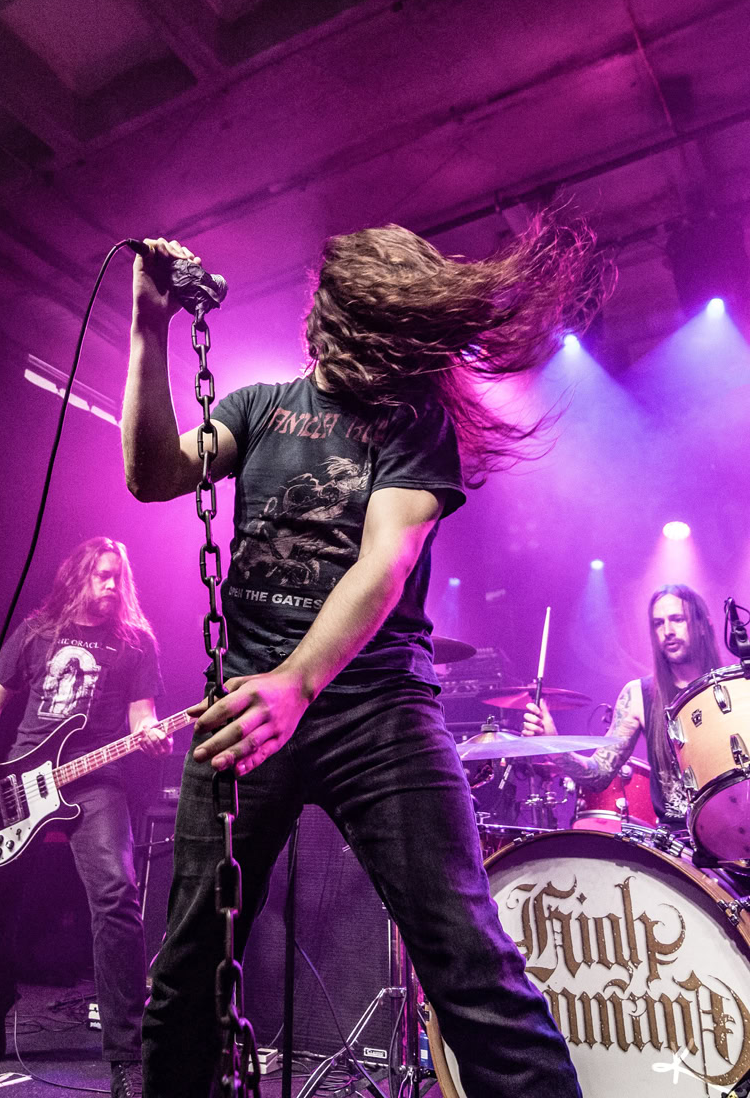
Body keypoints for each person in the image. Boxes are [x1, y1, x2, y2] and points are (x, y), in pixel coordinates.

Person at [122, 214, 610, 1098]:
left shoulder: (414, 420)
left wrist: (296, 683)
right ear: (330, 319)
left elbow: (385, 561)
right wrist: (149, 324)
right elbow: (153, 472)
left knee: (470, 967)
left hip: (379, 712)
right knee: (187, 978)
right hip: (247, 714)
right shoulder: (257, 407)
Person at [0, 537, 171, 1098]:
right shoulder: (37, 632)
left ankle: (126, 1055)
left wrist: (151, 737)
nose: (111, 584)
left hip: (94, 781)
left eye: (118, 576)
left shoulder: (135, 641)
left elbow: (143, 717)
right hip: (19, 783)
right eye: (101, 575)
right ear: (78, 577)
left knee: (116, 896)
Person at [522, 583, 722, 827]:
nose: (667, 631)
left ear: (702, 625)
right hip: (679, 841)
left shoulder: (736, 688)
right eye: (658, 623)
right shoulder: (638, 695)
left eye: (677, 619)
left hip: (736, 832)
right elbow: (598, 774)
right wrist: (552, 744)